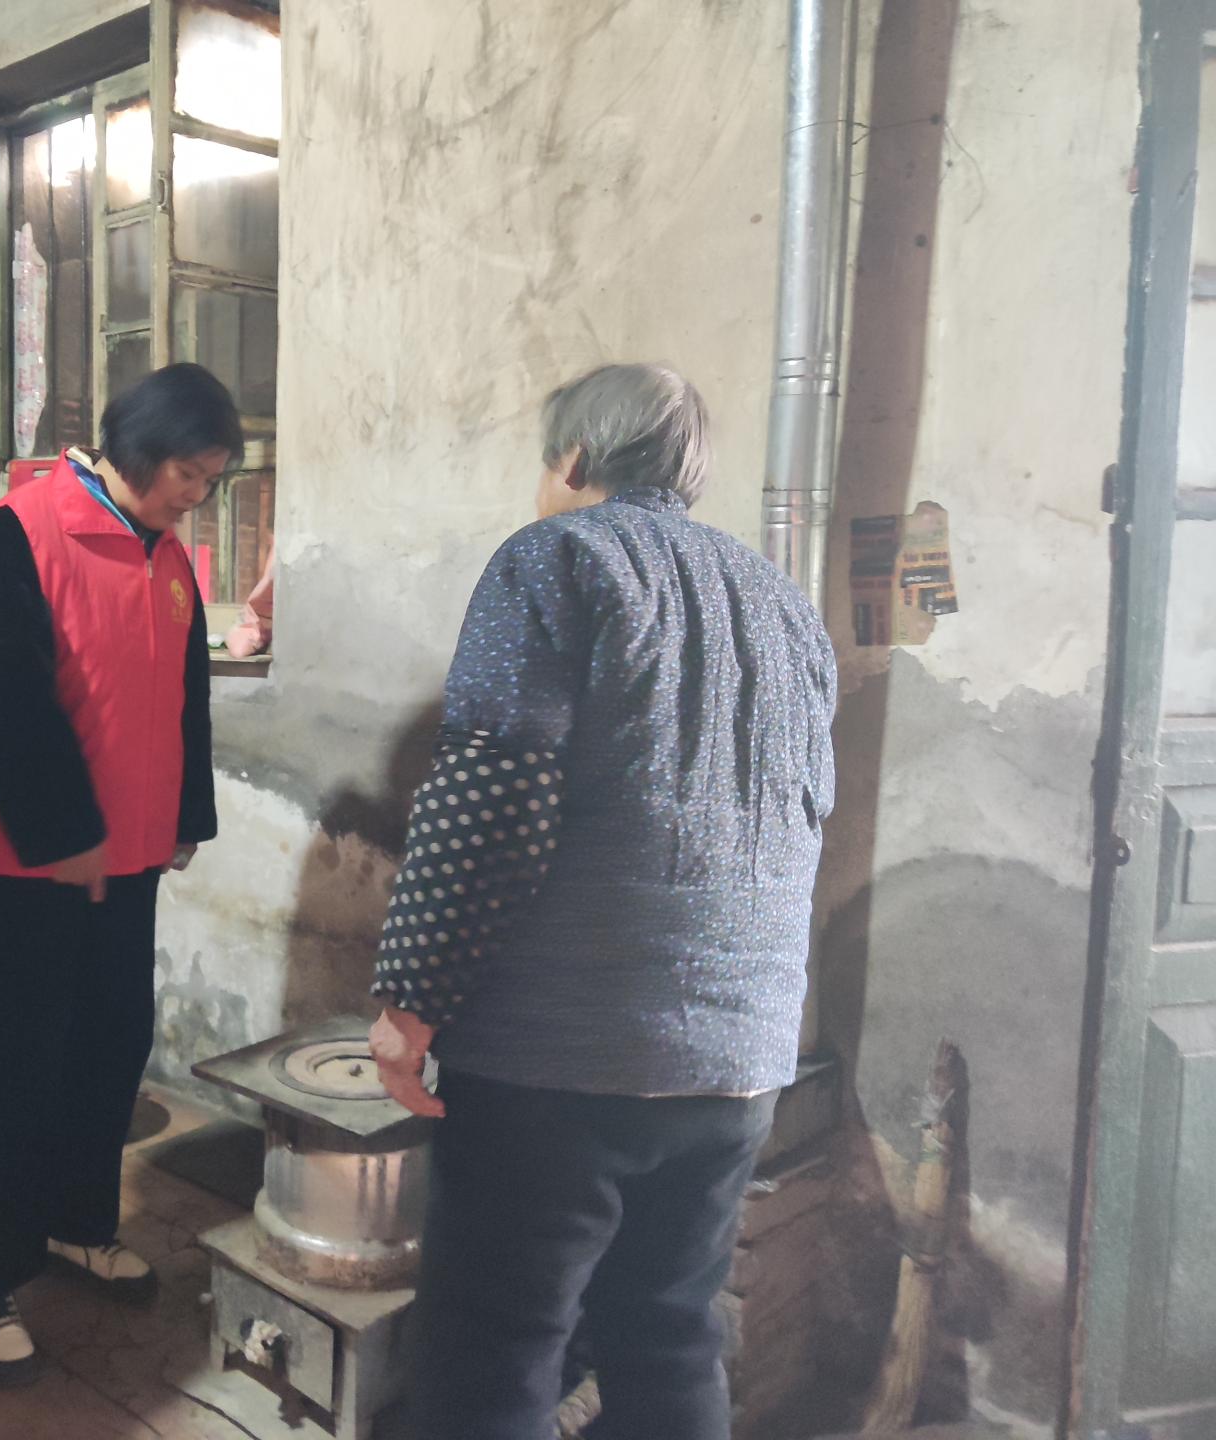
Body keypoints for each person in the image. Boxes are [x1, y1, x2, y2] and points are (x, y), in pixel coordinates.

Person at [368, 364, 837, 1440]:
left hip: (559, 1063)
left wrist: (411, 999)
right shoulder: (787, 607)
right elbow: (804, 816)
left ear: (573, 459)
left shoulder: (554, 559)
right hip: (737, 1066)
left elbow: (494, 795)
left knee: (495, 1349)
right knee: (667, 1334)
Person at [0, 363, 239, 1383]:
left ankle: (74, 1223)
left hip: (130, 855)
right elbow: (0, 698)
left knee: (111, 1042)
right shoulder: (21, 534)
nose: (196, 495)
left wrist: (185, 817)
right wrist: (62, 833)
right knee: (17, 1059)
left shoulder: (168, 557)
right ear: (141, 451)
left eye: (210, 481)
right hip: (36, 859)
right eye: (189, 475)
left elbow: (185, 699)